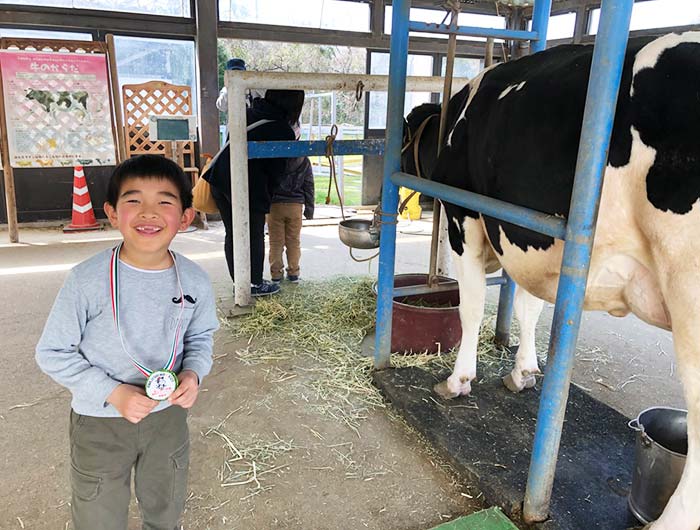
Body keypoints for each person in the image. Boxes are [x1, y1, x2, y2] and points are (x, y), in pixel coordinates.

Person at [35, 155, 219, 530]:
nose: (148, 213)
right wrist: (112, 392)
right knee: (97, 511)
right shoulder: (86, 280)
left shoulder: (195, 281)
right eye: (133, 200)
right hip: (101, 420)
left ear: (185, 217)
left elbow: (201, 336)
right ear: (112, 212)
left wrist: (194, 375)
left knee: (165, 501)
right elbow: (52, 352)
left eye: (164, 202)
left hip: (167, 415)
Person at [205, 89, 306, 297]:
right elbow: (275, 173)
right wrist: (267, 200)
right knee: (253, 234)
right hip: (246, 185)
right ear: (294, 105)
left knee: (233, 233)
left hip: (221, 180)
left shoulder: (247, 113)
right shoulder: (282, 130)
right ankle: (254, 284)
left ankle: (240, 283)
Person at [268, 151, 315, 283]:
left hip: (274, 205)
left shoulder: (272, 156)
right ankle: (294, 273)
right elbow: (309, 184)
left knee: (276, 242)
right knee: (293, 240)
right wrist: (309, 209)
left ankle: (276, 274)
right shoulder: (303, 159)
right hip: (295, 205)